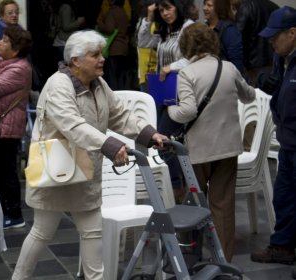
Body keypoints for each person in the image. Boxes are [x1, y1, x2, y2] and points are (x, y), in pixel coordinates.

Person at [11, 30, 167, 280]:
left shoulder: (98, 84)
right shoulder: (57, 85)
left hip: (85, 171)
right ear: (75, 61)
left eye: (101, 53)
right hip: (56, 170)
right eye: (95, 55)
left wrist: (149, 134)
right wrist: (111, 145)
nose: (102, 59)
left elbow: (120, 114)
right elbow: (73, 126)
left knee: (93, 231)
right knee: (42, 232)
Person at [167, 22, 255, 261]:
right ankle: (224, 258)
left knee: (195, 200)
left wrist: (171, 109)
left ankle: (191, 254)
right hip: (228, 147)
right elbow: (249, 95)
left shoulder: (187, 73)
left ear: (186, 46)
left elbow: (186, 112)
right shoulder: (228, 67)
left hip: (199, 149)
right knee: (223, 204)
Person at [250, 6, 296, 273]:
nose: (270, 41)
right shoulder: (282, 57)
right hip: (288, 142)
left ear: (292, 33)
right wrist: (272, 84)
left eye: (275, 36)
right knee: (284, 198)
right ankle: (283, 246)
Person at [138, 0, 194, 201]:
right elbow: (143, 42)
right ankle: (179, 182)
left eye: (168, 8)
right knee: (161, 138)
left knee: (163, 137)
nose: (165, 13)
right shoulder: (165, 30)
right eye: (161, 10)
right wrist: (149, 17)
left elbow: (196, 56)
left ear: (178, 7)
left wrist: (172, 66)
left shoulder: (188, 27)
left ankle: (179, 184)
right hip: (164, 90)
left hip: (181, 89)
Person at [0, 26, 33, 229]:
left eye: (4, 40)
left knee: (6, 172)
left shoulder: (20, 68)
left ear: (15, 48)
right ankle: (2, 211)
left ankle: (14, 214)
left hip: (7, 127)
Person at [235, 0, 279, 86]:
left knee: (254, 96)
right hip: (273, 62)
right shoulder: (274, 6)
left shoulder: (246, 6)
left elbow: (238, 36)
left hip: (253, 67)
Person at [203, 0, 245, 74]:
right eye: (204, 4)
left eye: (209, 5)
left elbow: (236, 62)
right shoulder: (204, 28)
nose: (204, 8)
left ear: (218, 8)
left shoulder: (229, 30)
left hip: (226, 77)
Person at [97, 0, 130, 90]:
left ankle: (115, 97)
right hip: (124, 48)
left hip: (114, 48)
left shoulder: (111, 12)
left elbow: (109, 29)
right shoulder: (124, 13)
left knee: (112, 76)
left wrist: (100, 24)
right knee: (121, 77)